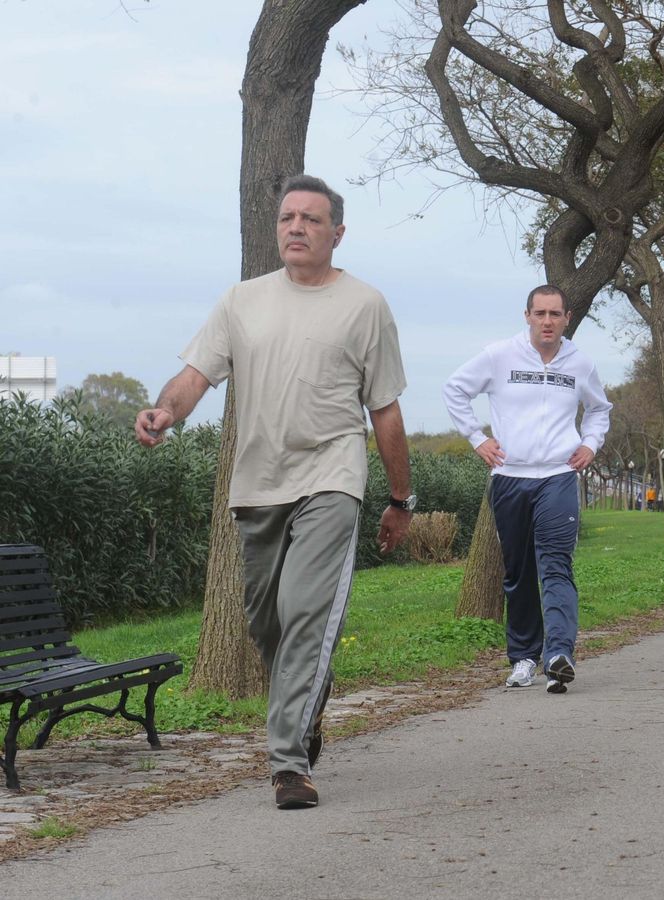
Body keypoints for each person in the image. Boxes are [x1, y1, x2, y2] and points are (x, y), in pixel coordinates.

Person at [135, 174, 412, 811]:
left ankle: (288, 765)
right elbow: (196, 374)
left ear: (336, 234)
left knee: (306, 612)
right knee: (268, 624)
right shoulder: (242, 300)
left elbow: (386, 411)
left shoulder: (366, 305)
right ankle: (309, 701)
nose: (296, 228)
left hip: (332, 477)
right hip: (257, 484)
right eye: (288, 217)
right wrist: (164, 413)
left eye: (311, 220)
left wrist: (400, 501)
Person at [443, 284, 612, 695]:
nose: (547, 322)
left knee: (556, 564)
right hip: (510, 478)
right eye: (540, 314)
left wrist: (589, 444)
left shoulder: (580, 364)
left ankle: (559, 655)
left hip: (557, 475)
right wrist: (476, 438)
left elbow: (599, 410)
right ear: (527, 316)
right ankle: (523, 657)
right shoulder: (499, 356)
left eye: (555, 314)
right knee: (519, 572)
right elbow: (455, 390)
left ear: (567, 318)